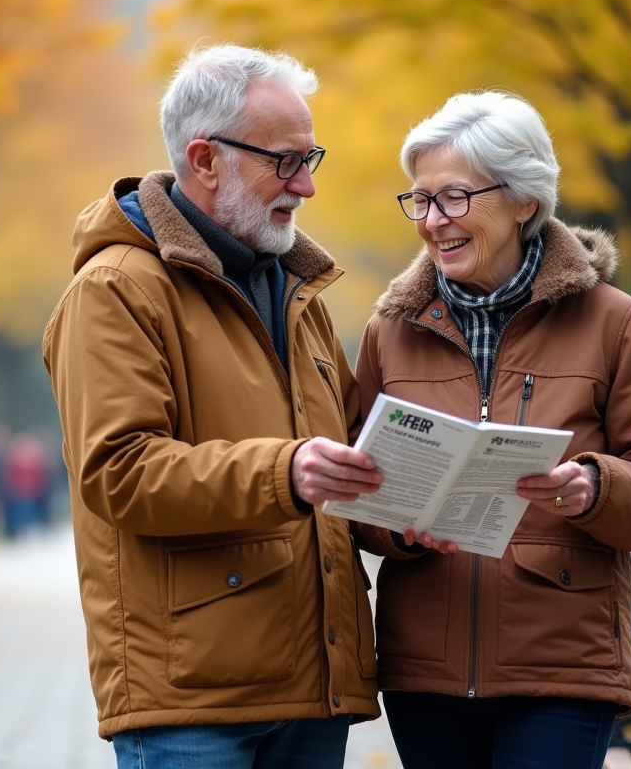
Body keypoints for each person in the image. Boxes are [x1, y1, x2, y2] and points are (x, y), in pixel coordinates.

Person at [42, 44, 383, 769]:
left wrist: (419, 508)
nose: (306, 187)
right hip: (191, 701)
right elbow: (120, 473)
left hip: (316, 687)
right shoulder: (114, 292)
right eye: (285, 162)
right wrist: (287, 473)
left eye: (310, 159)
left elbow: (346, 455)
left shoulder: (298, 295)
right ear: (206, 159)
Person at [352, 90, 631, 769]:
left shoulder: (616, 322)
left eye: (453, 198)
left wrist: (592, 487)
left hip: (563, 668)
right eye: (419, 200)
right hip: (425, 668)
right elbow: (356, 498)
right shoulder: (387, 333)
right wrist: (396, 524)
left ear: (523, 201)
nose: (431, 221)